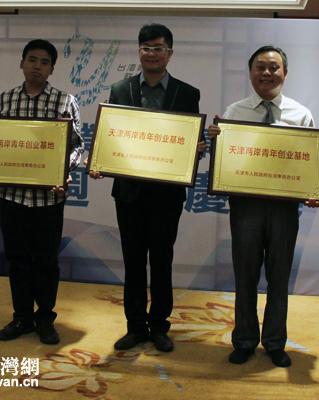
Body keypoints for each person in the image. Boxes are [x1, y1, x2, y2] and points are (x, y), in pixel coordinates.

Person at [88, 23, 205, 353]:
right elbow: (113, 135)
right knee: (134, 262)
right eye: (146, 48)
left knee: (162, 262)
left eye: (158, 48)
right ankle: (136, 327)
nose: (152, 53)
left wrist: (197, 149)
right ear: (139, 52)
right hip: (129, 192)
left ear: (170, 52)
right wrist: (101, 159)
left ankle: (160, 327)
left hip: (167, 195)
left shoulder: (188, 93)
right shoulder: (120, 89)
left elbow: (189, 140)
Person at [207, 46, 319, 368]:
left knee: (279, 277)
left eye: (274, 67)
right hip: (246, 207)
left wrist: (312, 189)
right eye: (260, 67)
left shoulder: (301, 115)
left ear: (285, 73)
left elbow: (310, 163)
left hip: (284, 208)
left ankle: (274, 342)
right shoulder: (234, 112)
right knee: (244, 275)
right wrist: (216, 140)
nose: (267, 73)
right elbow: (225, 162)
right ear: (250, 73)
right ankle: (244, 340)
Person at [0, 39, 84, 344]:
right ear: (22, 63)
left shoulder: (65, 101)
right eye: (32, 60)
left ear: (52, 69)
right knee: (17, 259)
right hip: (11, 196)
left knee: (46, 261)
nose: (37, 67)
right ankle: (21, 317)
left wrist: (64, 169)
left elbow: (77, 146)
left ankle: (44, 318)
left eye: (44, 62)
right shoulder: (5, 99)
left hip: (49, 197)